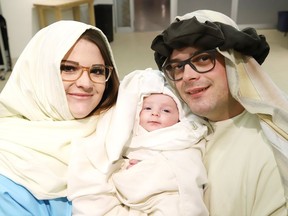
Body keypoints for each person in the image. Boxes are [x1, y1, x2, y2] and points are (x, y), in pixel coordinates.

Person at [151, 10, 288, 215]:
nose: (187, 75)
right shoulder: (173, 129)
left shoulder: (270, 156)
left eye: (203, 59)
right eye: (178, 67)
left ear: (235, 64)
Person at [0, 20, 119, 215]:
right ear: (39, 73)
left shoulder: (117, 121)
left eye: (97, 71)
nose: (86, 83)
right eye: (69, 68)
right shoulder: (7, 162)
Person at [68, 69, 209, 216]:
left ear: (180, 117)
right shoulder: (128, 139)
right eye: (147, 108)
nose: (155, 113)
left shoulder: (184, 137)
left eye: (166, 111)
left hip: (170, 198)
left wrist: (150, 166)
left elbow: (188, 167)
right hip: (134, 199)